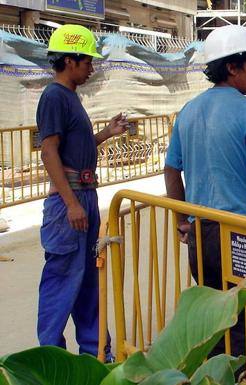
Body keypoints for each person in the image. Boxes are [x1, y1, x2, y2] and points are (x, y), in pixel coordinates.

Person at [164, 25, 246, 382]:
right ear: (232, 67)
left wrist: (183, 220)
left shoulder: (187, 111)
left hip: (201, 235)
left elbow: (172, 171)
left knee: (213, 322)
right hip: (241, 236)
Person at [37, 24, 128, 361]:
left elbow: (76, 148)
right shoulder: (54, 96)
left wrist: (106, 133)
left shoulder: (69, 98)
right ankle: (50, 361)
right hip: (70, 203)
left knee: (89, 281)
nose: (91, 67)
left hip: (84, 197)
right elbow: (50, 152)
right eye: (87, 61)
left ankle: (95, 355)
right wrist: (71, 202)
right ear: (70, 60)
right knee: (63, 281)